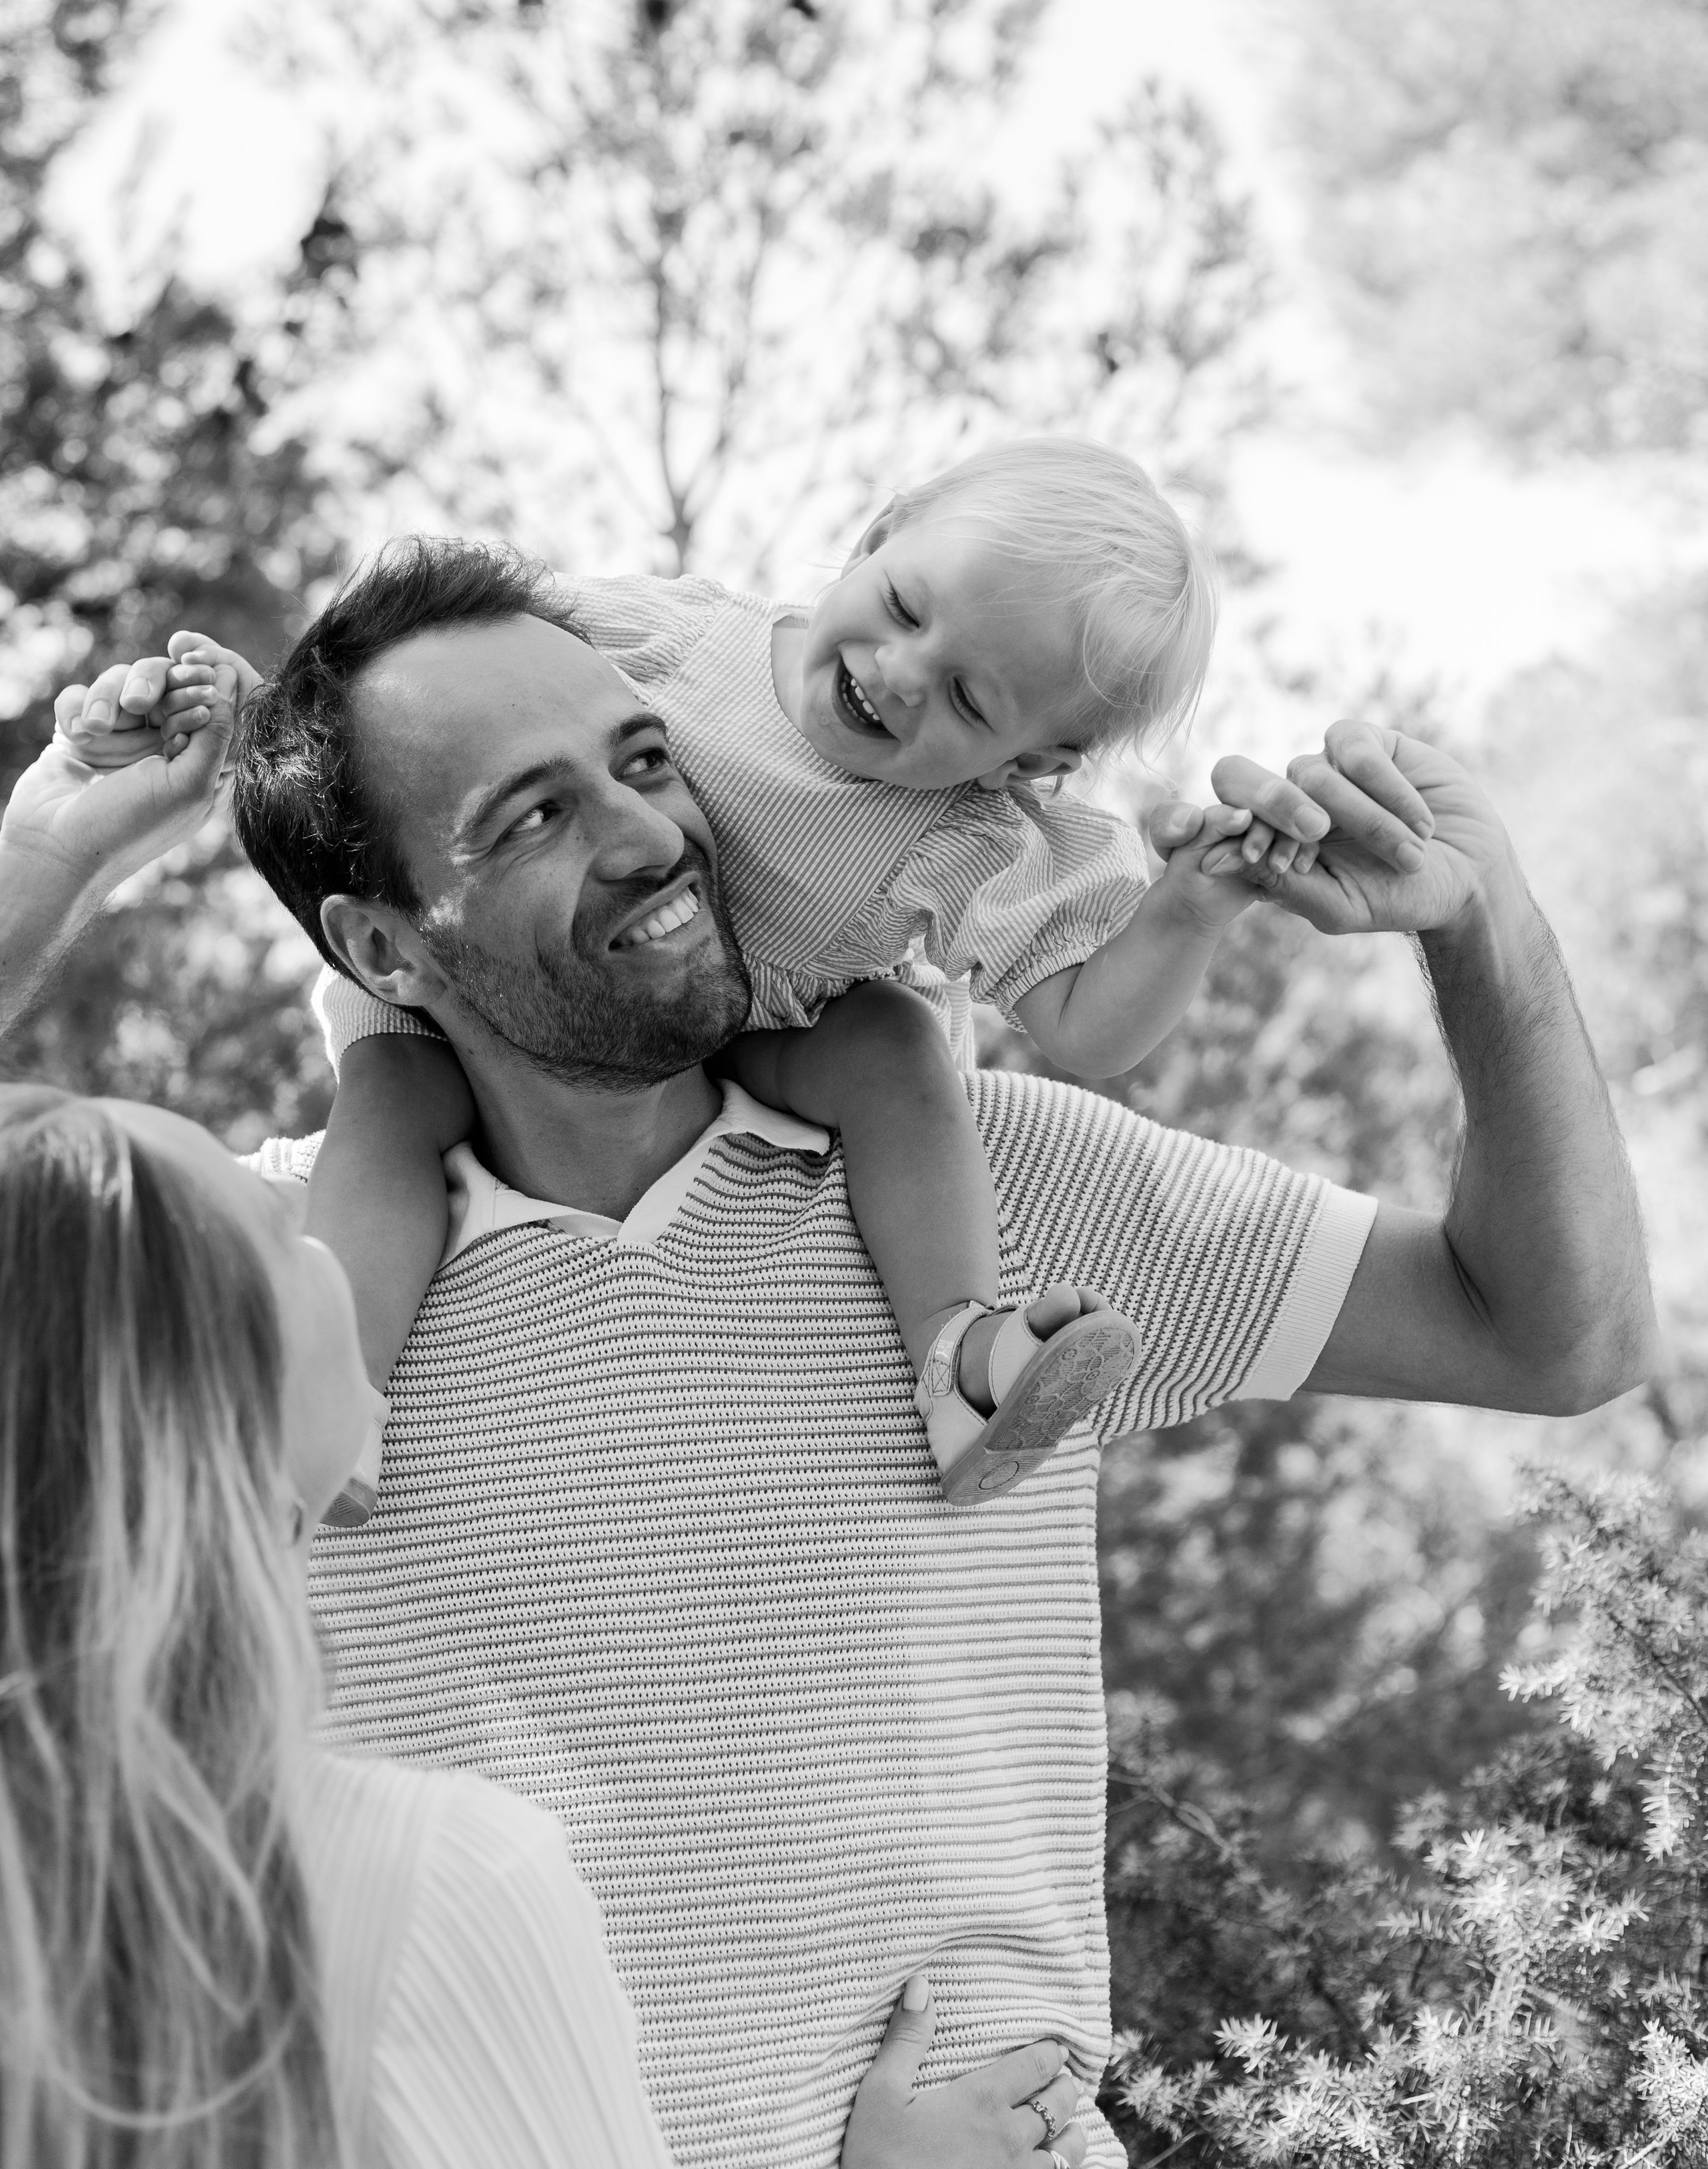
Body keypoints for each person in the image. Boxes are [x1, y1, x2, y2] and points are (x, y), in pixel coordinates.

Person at [228, 537, 1657, 2169]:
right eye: (531, 816)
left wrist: (1479, 933)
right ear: (385, 950)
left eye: (641, 761)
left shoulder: (982, 1178)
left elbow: (1554, 1335)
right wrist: (50, 849)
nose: (644, 835)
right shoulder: (269, 1300)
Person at [0, 649, 1088, 2169]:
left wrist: (52, 854)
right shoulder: (424, 1879)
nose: (328, 1226)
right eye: (270, 1237)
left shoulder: (119, 1872)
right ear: (184, 1392)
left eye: (645, 762)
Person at [300, 442, 1372, 1517]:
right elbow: (430, 682)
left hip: (756, 1028)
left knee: (892, 1037)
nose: (902, 674)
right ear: (877, 537)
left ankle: (964, 1357)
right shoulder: (682, 637)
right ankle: (335, 1396)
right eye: (906, 608)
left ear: (1030, 765)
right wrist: (274, 718)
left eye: (969, 697)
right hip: (535, 1001)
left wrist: (1188, 909)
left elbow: (1089, 1029)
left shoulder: (964, 835)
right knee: (391, 1090)